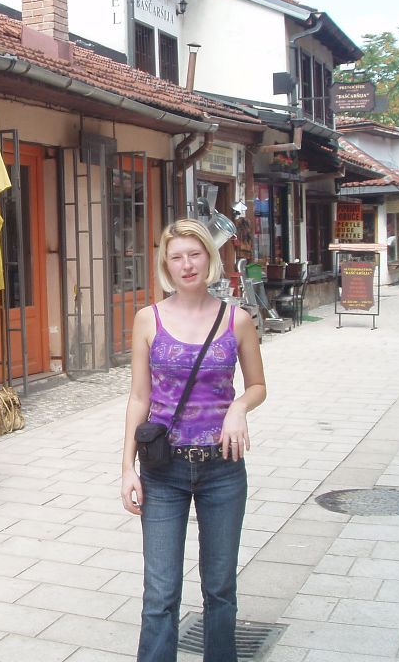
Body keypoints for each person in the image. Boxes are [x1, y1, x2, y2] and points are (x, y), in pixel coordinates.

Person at [121, 219, 267, 662]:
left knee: (220, 588)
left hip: (223, 468)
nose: (187, 265)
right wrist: (127, 468)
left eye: (195, 254)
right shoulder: (148, 320)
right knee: (160, 592)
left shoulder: (237, 320)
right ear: (166, 265)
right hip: (163, 470)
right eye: (177, 257)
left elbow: (258, 386)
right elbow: (139, 397)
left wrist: (239, 408)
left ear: (210, 258)